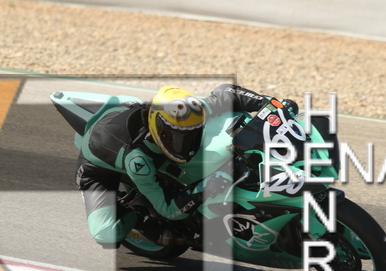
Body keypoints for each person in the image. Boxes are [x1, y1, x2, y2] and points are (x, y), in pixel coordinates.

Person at [75, 83, 298, 248]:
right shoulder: (138, 161)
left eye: (191, 133)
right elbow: (168, 210)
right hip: (97, 171)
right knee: (106, 235)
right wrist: (206, 187)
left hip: (127, 118)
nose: (185, 144)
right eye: (175, 137)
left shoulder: (186, 114)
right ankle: (136, 214)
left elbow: (226, 93)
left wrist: (270, 104)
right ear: (159, 127)